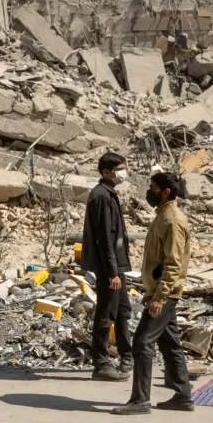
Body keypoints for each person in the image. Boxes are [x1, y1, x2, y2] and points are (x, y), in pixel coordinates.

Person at [111, 171, 193, 415]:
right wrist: (153, 291)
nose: (150, 191)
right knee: (169, 343)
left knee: (143, 341)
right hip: (161, 291)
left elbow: (174, 263)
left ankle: (141, 400)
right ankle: (183, 395)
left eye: (153, 187)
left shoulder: (173, 221)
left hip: (167, 293)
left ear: (166, 191)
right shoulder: (163, 216)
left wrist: (160, 296)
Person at [83, 150, 134, 381]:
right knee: (106, 314)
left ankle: (127, 357)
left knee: (123, 311)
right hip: (109, 269)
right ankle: (101, 364)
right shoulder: (101, 196)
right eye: (119, 169)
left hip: (117, 268)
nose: (123, 173)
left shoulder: (109, 193)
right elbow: (104, 238)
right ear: (106, 172)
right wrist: (112, 272)